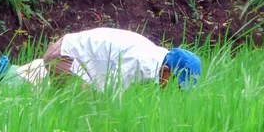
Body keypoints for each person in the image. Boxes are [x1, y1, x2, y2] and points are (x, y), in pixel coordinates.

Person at [42, 27, 202, 90]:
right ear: (166, 72)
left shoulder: (156, 56)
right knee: (91, 107)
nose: (171, 90)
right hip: (63, 57)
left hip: (69, 49)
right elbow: (109, 96)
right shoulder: (141, 65)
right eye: (175, 84)